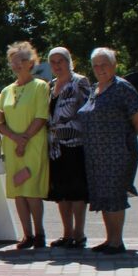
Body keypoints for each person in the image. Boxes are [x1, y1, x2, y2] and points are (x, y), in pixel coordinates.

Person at [77, 48, 138, 255]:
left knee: (115, 195)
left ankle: (117, 241)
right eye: (95, 65)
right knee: (104, 196)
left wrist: (124, 138)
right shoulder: (95, 88)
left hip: (117, 152)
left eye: (104, 64)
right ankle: (110, 239)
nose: (99, 69)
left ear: (114, 65)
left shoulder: (122, 87)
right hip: (95, 154)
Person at [0, 41, 51, 249]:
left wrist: (24, 139)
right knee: (19, 191)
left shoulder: (40, 86)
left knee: (32, 190)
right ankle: (26, 235)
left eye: (22, 61)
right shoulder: (6, 91)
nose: (17, 65)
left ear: (31, 63)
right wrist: (15, 138)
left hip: (33, 145)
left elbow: (41, 117)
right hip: (12, 146)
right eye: (14, 61)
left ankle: (40, 233)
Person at [46, 47, 93, 248]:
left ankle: (78, 234)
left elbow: (89, 110)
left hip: (75, 144)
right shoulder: (50, 86)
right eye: (53, 62)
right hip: (55, 146)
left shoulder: (80, 82)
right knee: (61, 192)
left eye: (61, 61)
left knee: (77, 191)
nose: (57, 65)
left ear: (69, 61)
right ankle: (66, 234)